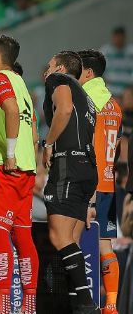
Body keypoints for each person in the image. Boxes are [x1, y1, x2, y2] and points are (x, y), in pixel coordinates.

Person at [0, 35, 38, 314]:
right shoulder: (21, 82)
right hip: (27, 170)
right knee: (23, 236)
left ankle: (3, 306)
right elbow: (32, 125)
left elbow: (12, 110)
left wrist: (10, 153)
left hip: (6, 166)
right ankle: (28, 305)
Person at [41, 51, 99, 314]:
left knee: (58, 236)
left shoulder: (58, 80)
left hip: (68, 165)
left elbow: (63, 109)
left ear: (61, 68)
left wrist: (49, 142)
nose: (46, 71)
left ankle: (86, 303)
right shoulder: (87, 97)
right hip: (87, 168)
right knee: (72, 241)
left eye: (49, 66)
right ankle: (77, 304)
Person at [78, 49, 123, 314]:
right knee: (106, 246)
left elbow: (86, 147)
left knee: (75, 242)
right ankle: (111, 305)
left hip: (90, 184)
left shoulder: (87, 102)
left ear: (89, 72)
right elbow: (115, 147)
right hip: (108, 182)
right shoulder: (115, 106)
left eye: (78, 70)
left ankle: (81, 301)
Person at [99, 26, 133, 97]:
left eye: (120, 37)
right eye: (116, 37)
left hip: (127, 90)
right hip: (109, 89)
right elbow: (99, 71)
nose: (118, 39)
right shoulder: (105, 51)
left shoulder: (130, 51)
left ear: (124, 37)